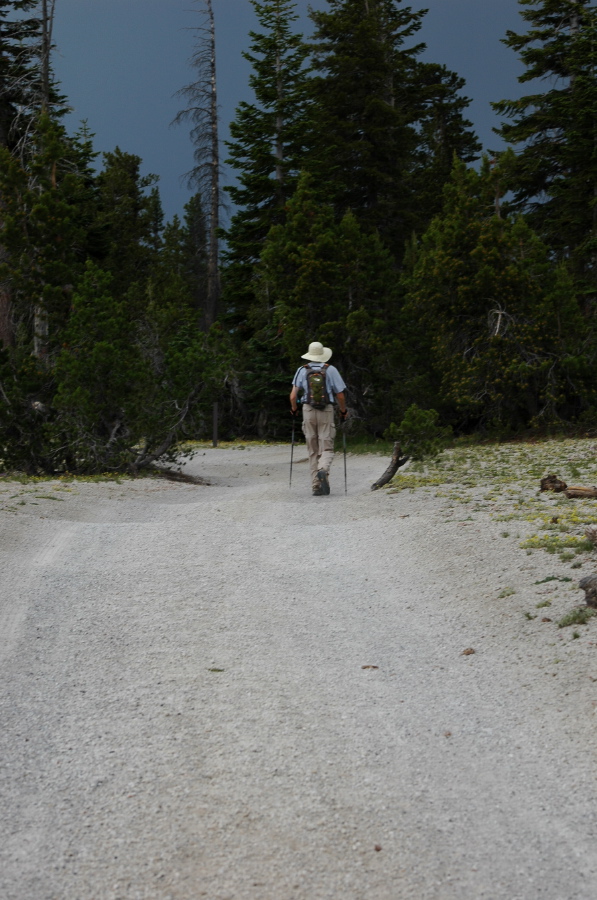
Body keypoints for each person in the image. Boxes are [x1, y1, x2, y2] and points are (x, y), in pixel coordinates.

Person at [290, 341, 348, 496]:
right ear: (323, 354)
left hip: (307, 410)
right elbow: (340, 395)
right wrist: (343, 411)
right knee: (326, 446)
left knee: (312, 449)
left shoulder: (302, 370)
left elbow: (293, 396)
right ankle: (323, 469)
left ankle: (316, 485)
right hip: (326, 410)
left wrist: (294, 409)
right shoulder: (331, 370)